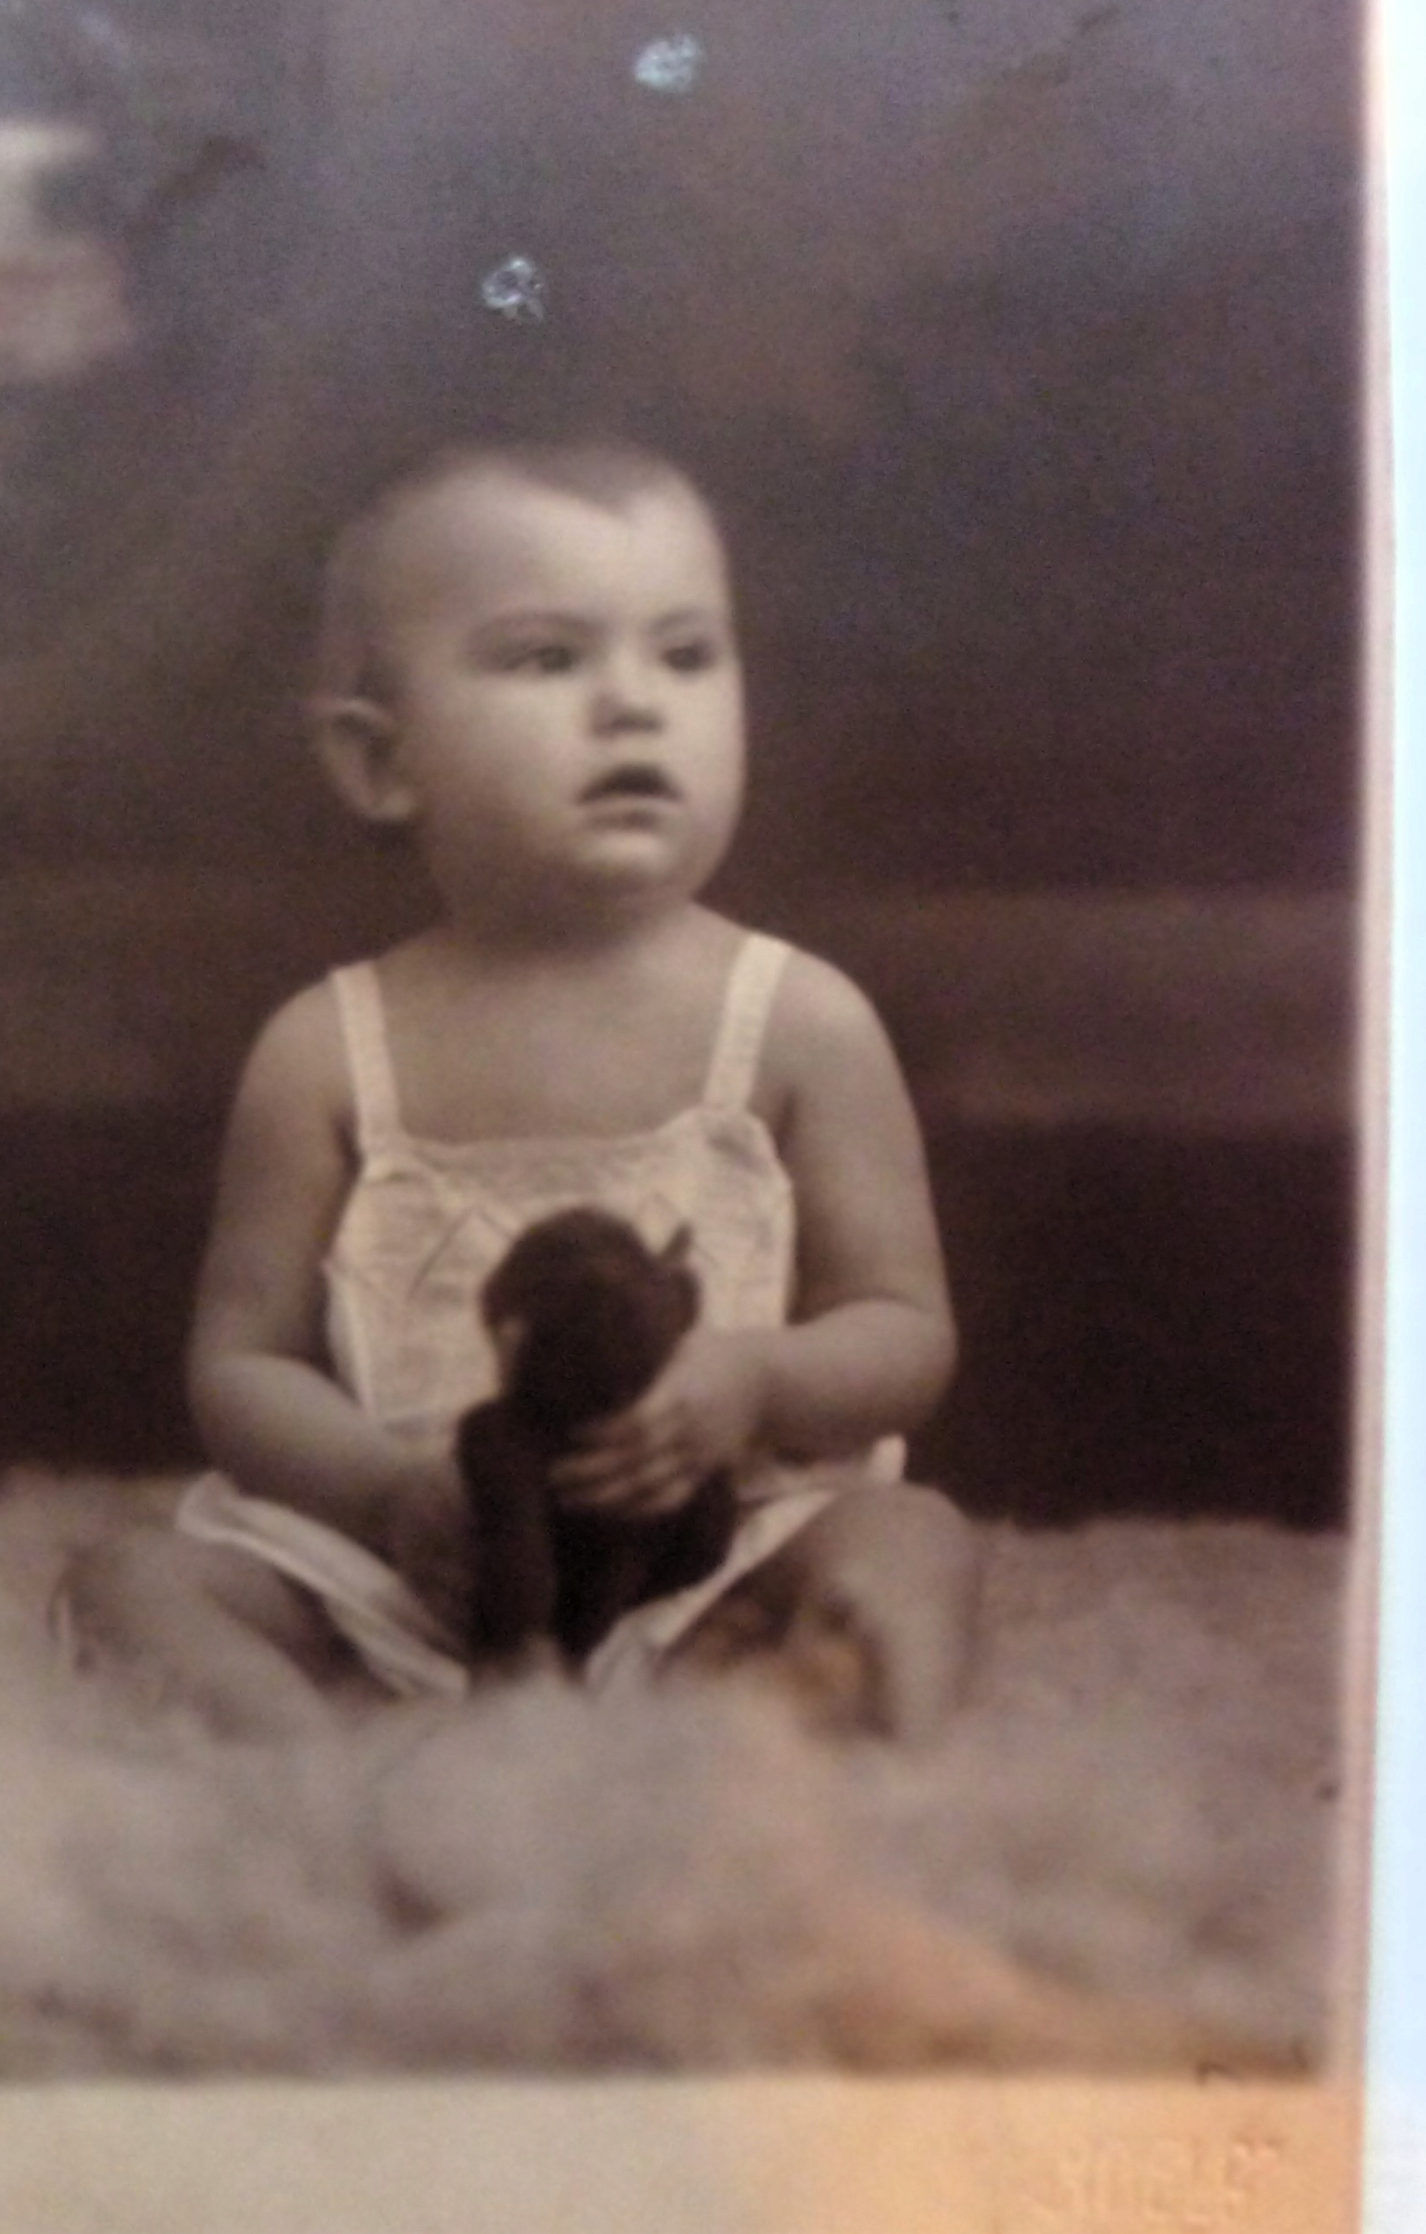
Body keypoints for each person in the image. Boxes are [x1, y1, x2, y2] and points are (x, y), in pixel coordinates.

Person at [62, 439, 982, 1740]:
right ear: (382, 764)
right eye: (548, 658)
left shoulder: (801, 1021)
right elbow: (242, 1363)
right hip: (412, 1560)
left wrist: (755, 1381)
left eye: (685, 654)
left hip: (716, 1540)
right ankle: (314, 1777)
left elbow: (901, 1329)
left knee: (910, 1538)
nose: (634, 705)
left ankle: (782, 1742)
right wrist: (389, 1495)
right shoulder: (324, 1049)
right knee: (131, 1580)